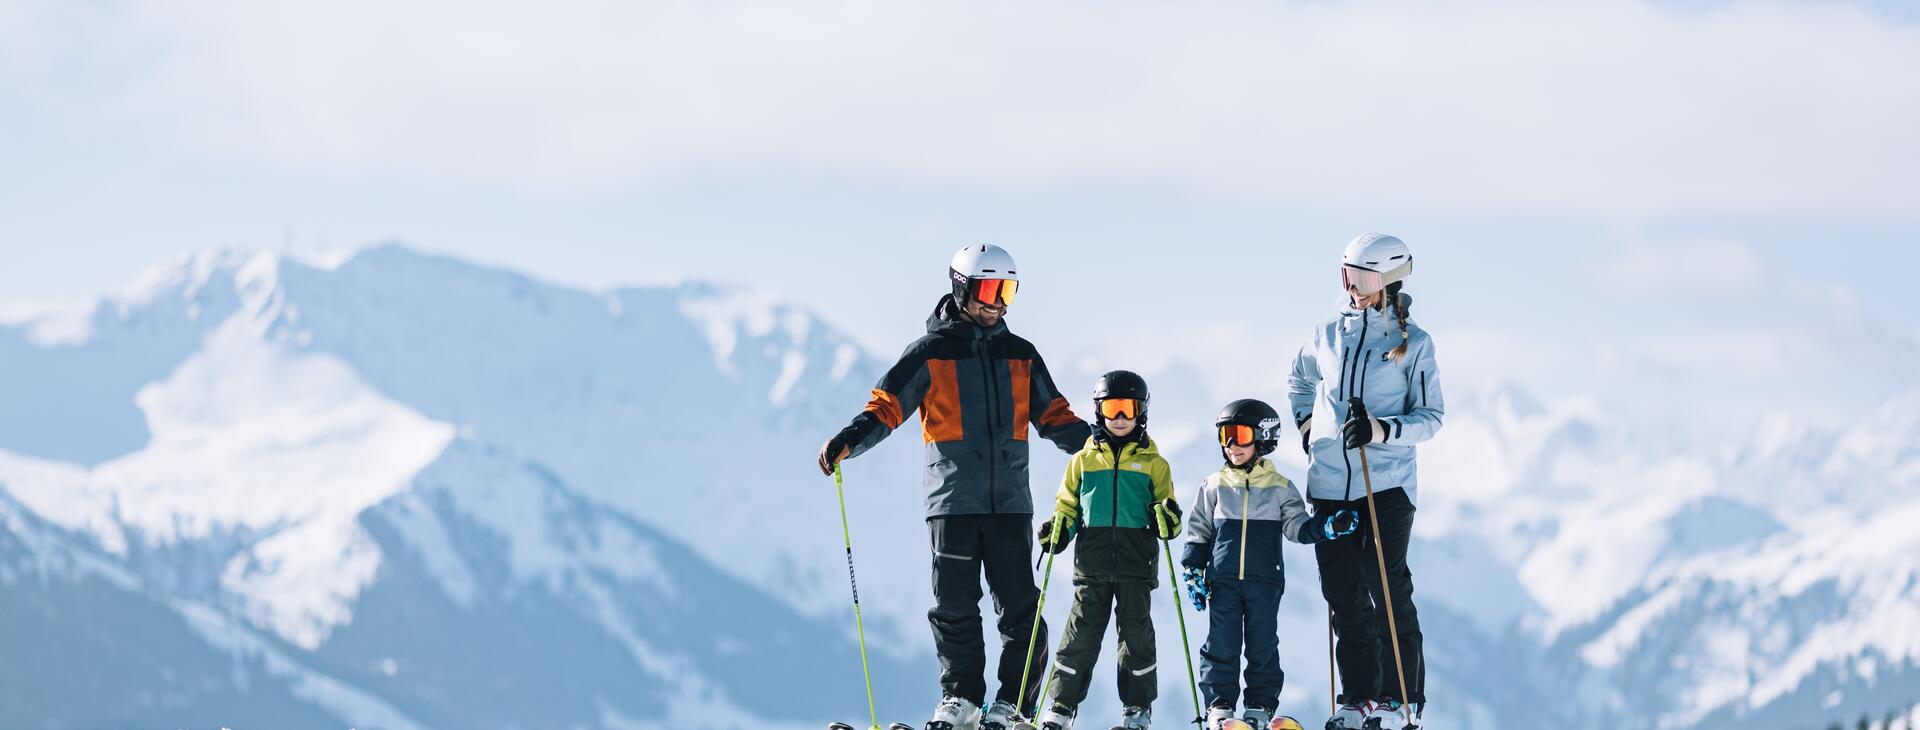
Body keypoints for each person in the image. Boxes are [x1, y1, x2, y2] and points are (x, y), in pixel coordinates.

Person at [818, 244, 1091, 730]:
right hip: (951, 503)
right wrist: (848, 441)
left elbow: (1055, 417)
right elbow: (886, 407)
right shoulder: (931, 353)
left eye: (1008, 290)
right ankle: (961, 697)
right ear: (962, 287)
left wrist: (1101, 449)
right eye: (990, 289)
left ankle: (1014, 704)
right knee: (954, 606)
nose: (999, 302)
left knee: (1021, 611)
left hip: (1009, 505)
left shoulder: (1020, 355)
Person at [1287, 234, 1445, 730]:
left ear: (1391, 280)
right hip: (1331, 483)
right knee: (1344, 593)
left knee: (1385, 585)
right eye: (1347, 276)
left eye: (1364, 278)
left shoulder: (1411, 345)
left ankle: (1401, 700)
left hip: (1387, 484)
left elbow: (1432, 417)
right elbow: (1299, 377)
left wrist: (1381, 430)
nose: (1353, 288)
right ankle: (1358, 699)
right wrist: (1309, 430)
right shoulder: (1327, 333)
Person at [1181, 399, 1359, 730]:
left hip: (1264, 582)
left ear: (1263, 438)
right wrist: (1193, 569)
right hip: (1222, 581)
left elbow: (1297, 527)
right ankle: (1219, 706)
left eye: (1240, 434)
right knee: (1221, 643)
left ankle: (1259, 706)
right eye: (1225, 436)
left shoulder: (1279, 489)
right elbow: (1199, 532)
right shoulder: (1213, 486)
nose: (1232, 445)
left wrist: (1327, 527)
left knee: (1263, 645)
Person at [1032, 371, 1179, 730]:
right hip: (1093, 565)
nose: (1119, 418)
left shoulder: (1154, 464)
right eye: (1111, 409)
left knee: (1135, 637)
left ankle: (1137, 709)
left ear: (1141, 412)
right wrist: (1058, 531)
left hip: (1135, 565)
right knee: (1079, 635)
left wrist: (1167, 517)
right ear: (1099, 412)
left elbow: (1169, 516)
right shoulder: (1083, 461)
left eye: (1127, 409)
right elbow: (1068, 507)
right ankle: (1062, 706)